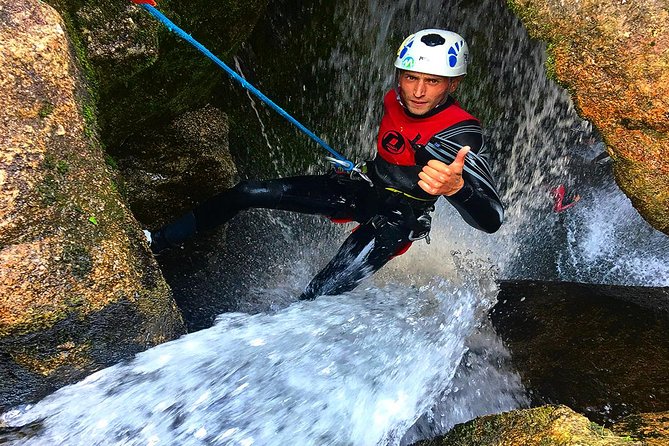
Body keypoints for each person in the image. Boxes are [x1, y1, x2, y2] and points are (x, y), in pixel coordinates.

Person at [146, 29, 504, 300]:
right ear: (399, 75)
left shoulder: (460, 135)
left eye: (433, 82)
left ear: (453, 84)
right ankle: (157, 240)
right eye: (411, 78)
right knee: (247, 191)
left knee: (319, 292)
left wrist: (457, 188)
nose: (418, 92)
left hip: (397, 219)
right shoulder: (393, 98)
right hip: (364, 189)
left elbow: (491, 220)